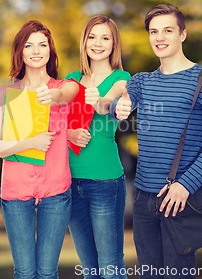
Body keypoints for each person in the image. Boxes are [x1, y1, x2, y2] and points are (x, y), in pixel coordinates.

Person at [110, 4, 202, 278]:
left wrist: (185, 186)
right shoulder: (143, 81)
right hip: (143, 199)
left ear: (183, 34)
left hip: (180, 200)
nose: (159, 38)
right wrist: (119, 105)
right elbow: (117, 104)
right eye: (154, 32)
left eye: (167, 30)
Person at [0, 20, 79, 279]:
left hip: (56, 189)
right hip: (16, 191)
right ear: (20, 51)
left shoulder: (62, 88)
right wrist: (29, 143)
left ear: (50, 50)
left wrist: (55, 97)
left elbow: (71, 92)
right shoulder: (5, 94)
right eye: (29, 45)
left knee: (47, 271)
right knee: (25, 272)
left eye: (42, 44)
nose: (36, 50)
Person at [66, 15, 131, 279]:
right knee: (89, 269)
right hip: (70, 181)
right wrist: (70, 133)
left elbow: (109, 104)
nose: (98, 43)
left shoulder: (122, 78)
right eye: (92, 37)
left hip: (105, 181)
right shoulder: (71, 78)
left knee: (110, 267)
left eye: (105, 37)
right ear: (84, 42)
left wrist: (99, 100)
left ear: (114, 44)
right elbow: (56, 123)